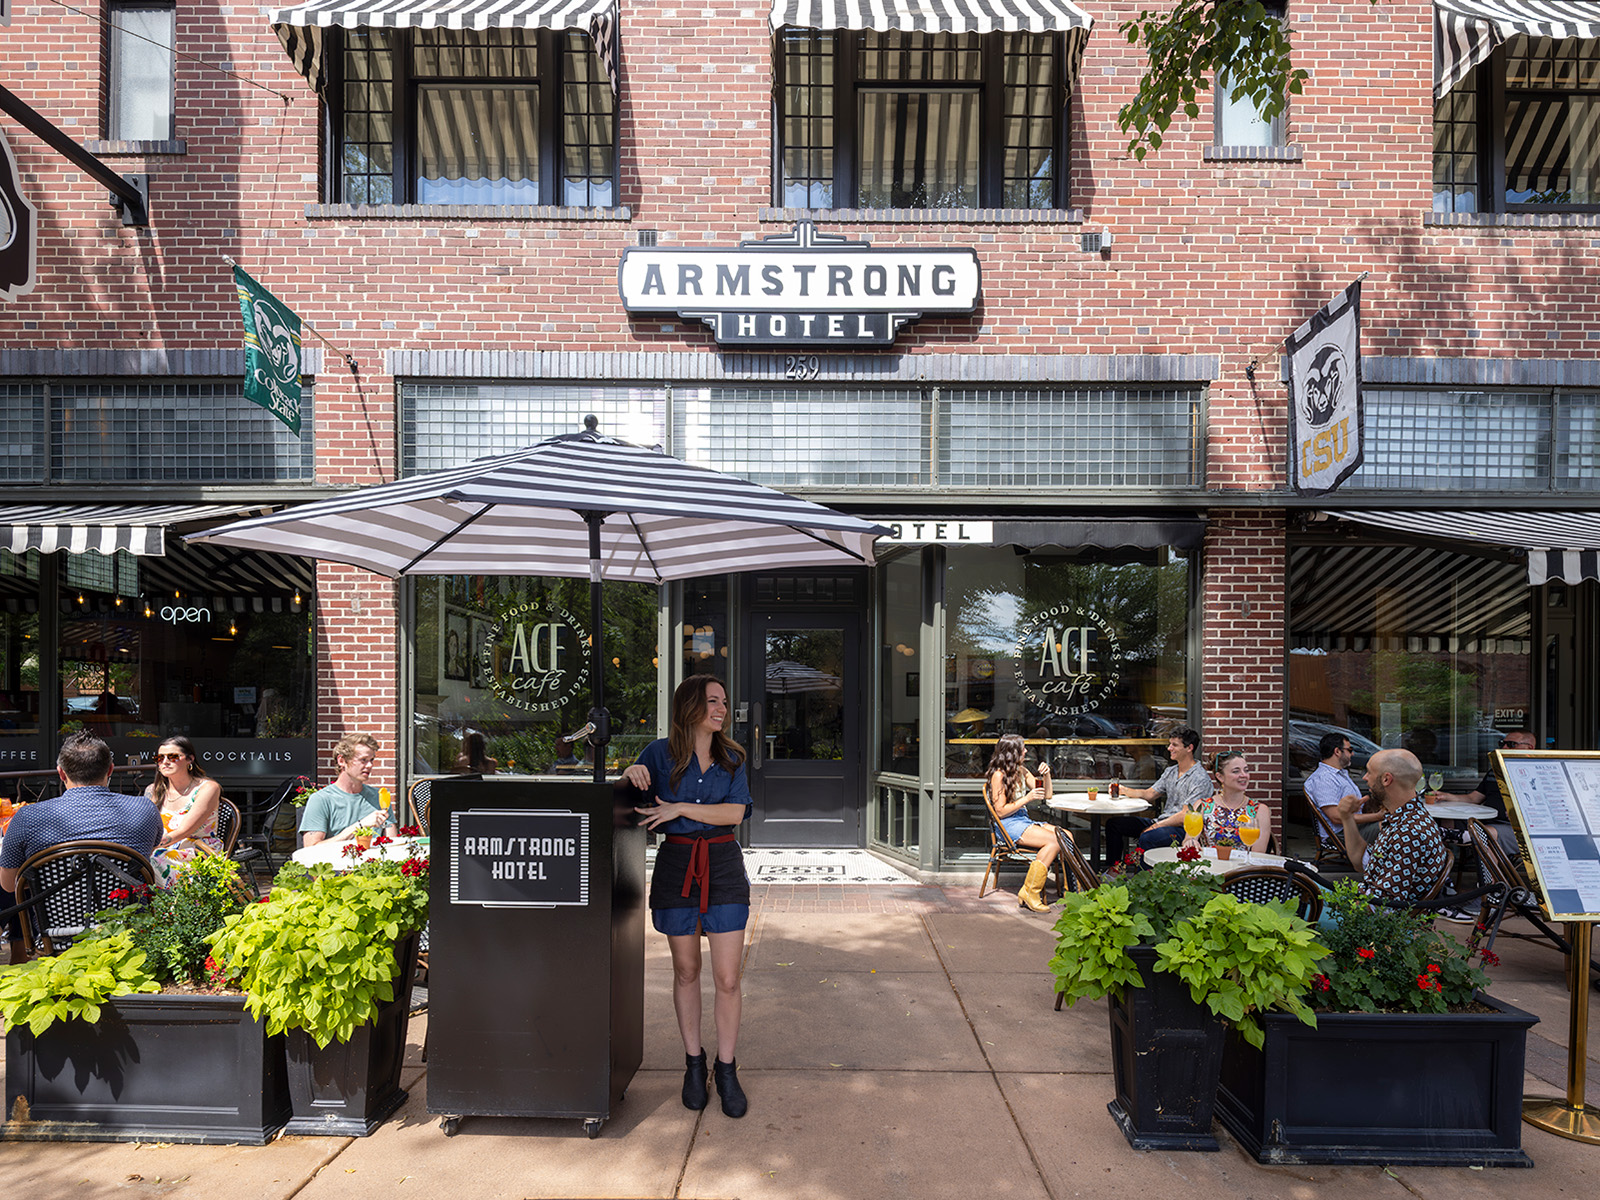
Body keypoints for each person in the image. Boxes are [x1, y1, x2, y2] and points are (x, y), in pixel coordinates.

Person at [620, 674, 752, 1120]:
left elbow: (735, 812)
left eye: (724, 701)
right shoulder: (658, 754)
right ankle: (694, 1064)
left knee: (728, 978)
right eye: (712, 701)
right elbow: (630, 789)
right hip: (677, 866)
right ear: (690, 707)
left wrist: (679, 808)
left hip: (723, 865)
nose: (721, 709)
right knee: (686, 970)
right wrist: (630, 773)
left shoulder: (732, 757)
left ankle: (726, 1069)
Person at [0, 733, 164, 933]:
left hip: (58, 935)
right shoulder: (144, 809)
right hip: (129, 934)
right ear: (110, 770)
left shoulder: (27, 817)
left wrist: (47, 879)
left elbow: (9, 885)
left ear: (61, 773)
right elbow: (148, 852)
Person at [1338, 748, 1447, 903]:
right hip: (1367, 903)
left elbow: (1383, 907)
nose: (1365, 777)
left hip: (1373, 913)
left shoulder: (1408, 833)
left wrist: (1338, 904)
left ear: (1386, 779)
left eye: (1369, 772)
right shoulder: (1403, 817)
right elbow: (1360, 862)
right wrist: (1347, 817)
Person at [983, 733, 1065, 913]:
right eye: (1023, 748)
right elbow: (1000, 811)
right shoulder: (998, 775)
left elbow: (1047, 795)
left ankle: (1071, 888)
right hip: (1007, 824)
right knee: (1054, 840)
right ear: (1012, 752)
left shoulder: (1022, 770)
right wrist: (1027, 799)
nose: (1026, 751)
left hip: (1022, 819)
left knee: (1066, 836)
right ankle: (1030, 892)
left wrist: (1047, 775)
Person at [1105, 726, 1213, 861]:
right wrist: (1124, 790)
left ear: (1189, 748)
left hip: (1183, 831)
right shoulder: (1171, 771)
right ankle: (1113, 869)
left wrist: (1155, 827)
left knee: (1148, 837)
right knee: (1114, 825)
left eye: (1174, 745)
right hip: (1162, 822)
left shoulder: (1200, 779)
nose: (1169, 748)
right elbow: (1150, 794)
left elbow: (1185, 815)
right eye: (1170, 744)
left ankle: (1144, 874)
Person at [1143, 750, 1274, 853]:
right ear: (1220, 777)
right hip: (1208, 872)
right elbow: (1190, 838)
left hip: (1243, 874)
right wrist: (1190, 843)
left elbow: (1257, 855)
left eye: (1246, 770)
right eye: (1236, 771)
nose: (1244, 775)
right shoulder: (1202, 806)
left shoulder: (1259, 810)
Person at [1430, 730, 1535, 856]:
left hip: (1519, 829)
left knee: (1486, 836)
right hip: (1487, 822)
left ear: (1529, 748)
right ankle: (1444, 862)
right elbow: (1473, 798)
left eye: (1511, 744)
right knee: (1447, 821)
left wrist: (1521, 812)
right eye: (1502, 743)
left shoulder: (1537, 774)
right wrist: (1446, 796)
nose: (1504, 748)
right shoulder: (1495, 772)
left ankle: (1465, 838)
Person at [144, 735, 223, 887]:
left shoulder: (207, 788)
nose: (165, 762)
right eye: (159, 758)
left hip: (197, 851)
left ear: (189, 759)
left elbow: (184, 830)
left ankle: (162, 903)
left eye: (172, 757)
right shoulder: (153, 790)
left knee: (151, 858)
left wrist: (149, 847)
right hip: (161, 849)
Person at [299, 733, 393, 847]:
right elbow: (310, 849)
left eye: (371, 760)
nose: (369, 765)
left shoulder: (379, 797)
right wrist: (359, 826)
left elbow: (392, 844)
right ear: (342, 761)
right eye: (363, 760)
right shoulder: (321, 800)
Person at [1305, 731, 1379, 847]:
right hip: (1340, 835)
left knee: (1393, 824)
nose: (1352, 754)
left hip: (1351, 829)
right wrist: (1377, 816)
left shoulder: (1339, 774)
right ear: (1337, 751)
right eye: (1349, 750)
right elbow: (1336, 817)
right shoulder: (1324, 779)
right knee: (1387, 827)